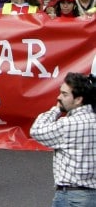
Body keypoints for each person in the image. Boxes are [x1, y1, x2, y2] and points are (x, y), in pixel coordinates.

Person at [29, 72, 96, 207]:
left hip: (70, 196)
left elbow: (36, 130)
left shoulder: (67, 125)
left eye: (65, 94)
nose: (59, 97)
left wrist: (56, 109)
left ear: (78, 99)